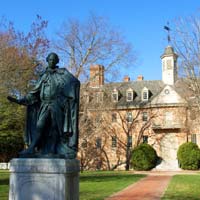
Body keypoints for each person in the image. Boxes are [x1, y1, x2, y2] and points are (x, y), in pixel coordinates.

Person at [8, 53, 80, 158]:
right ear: (47, 61)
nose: (51, 61)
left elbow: (75, 82)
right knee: (40, 126)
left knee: (56, 127)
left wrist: (66, 94)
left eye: (53, 60)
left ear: (56, 61)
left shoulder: (62, 73)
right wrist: (19, 100)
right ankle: (32, 148)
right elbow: (34, 92)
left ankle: (53, 150)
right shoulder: (44, 76)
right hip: (45, 105)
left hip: (57, 104)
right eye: (50, 60)